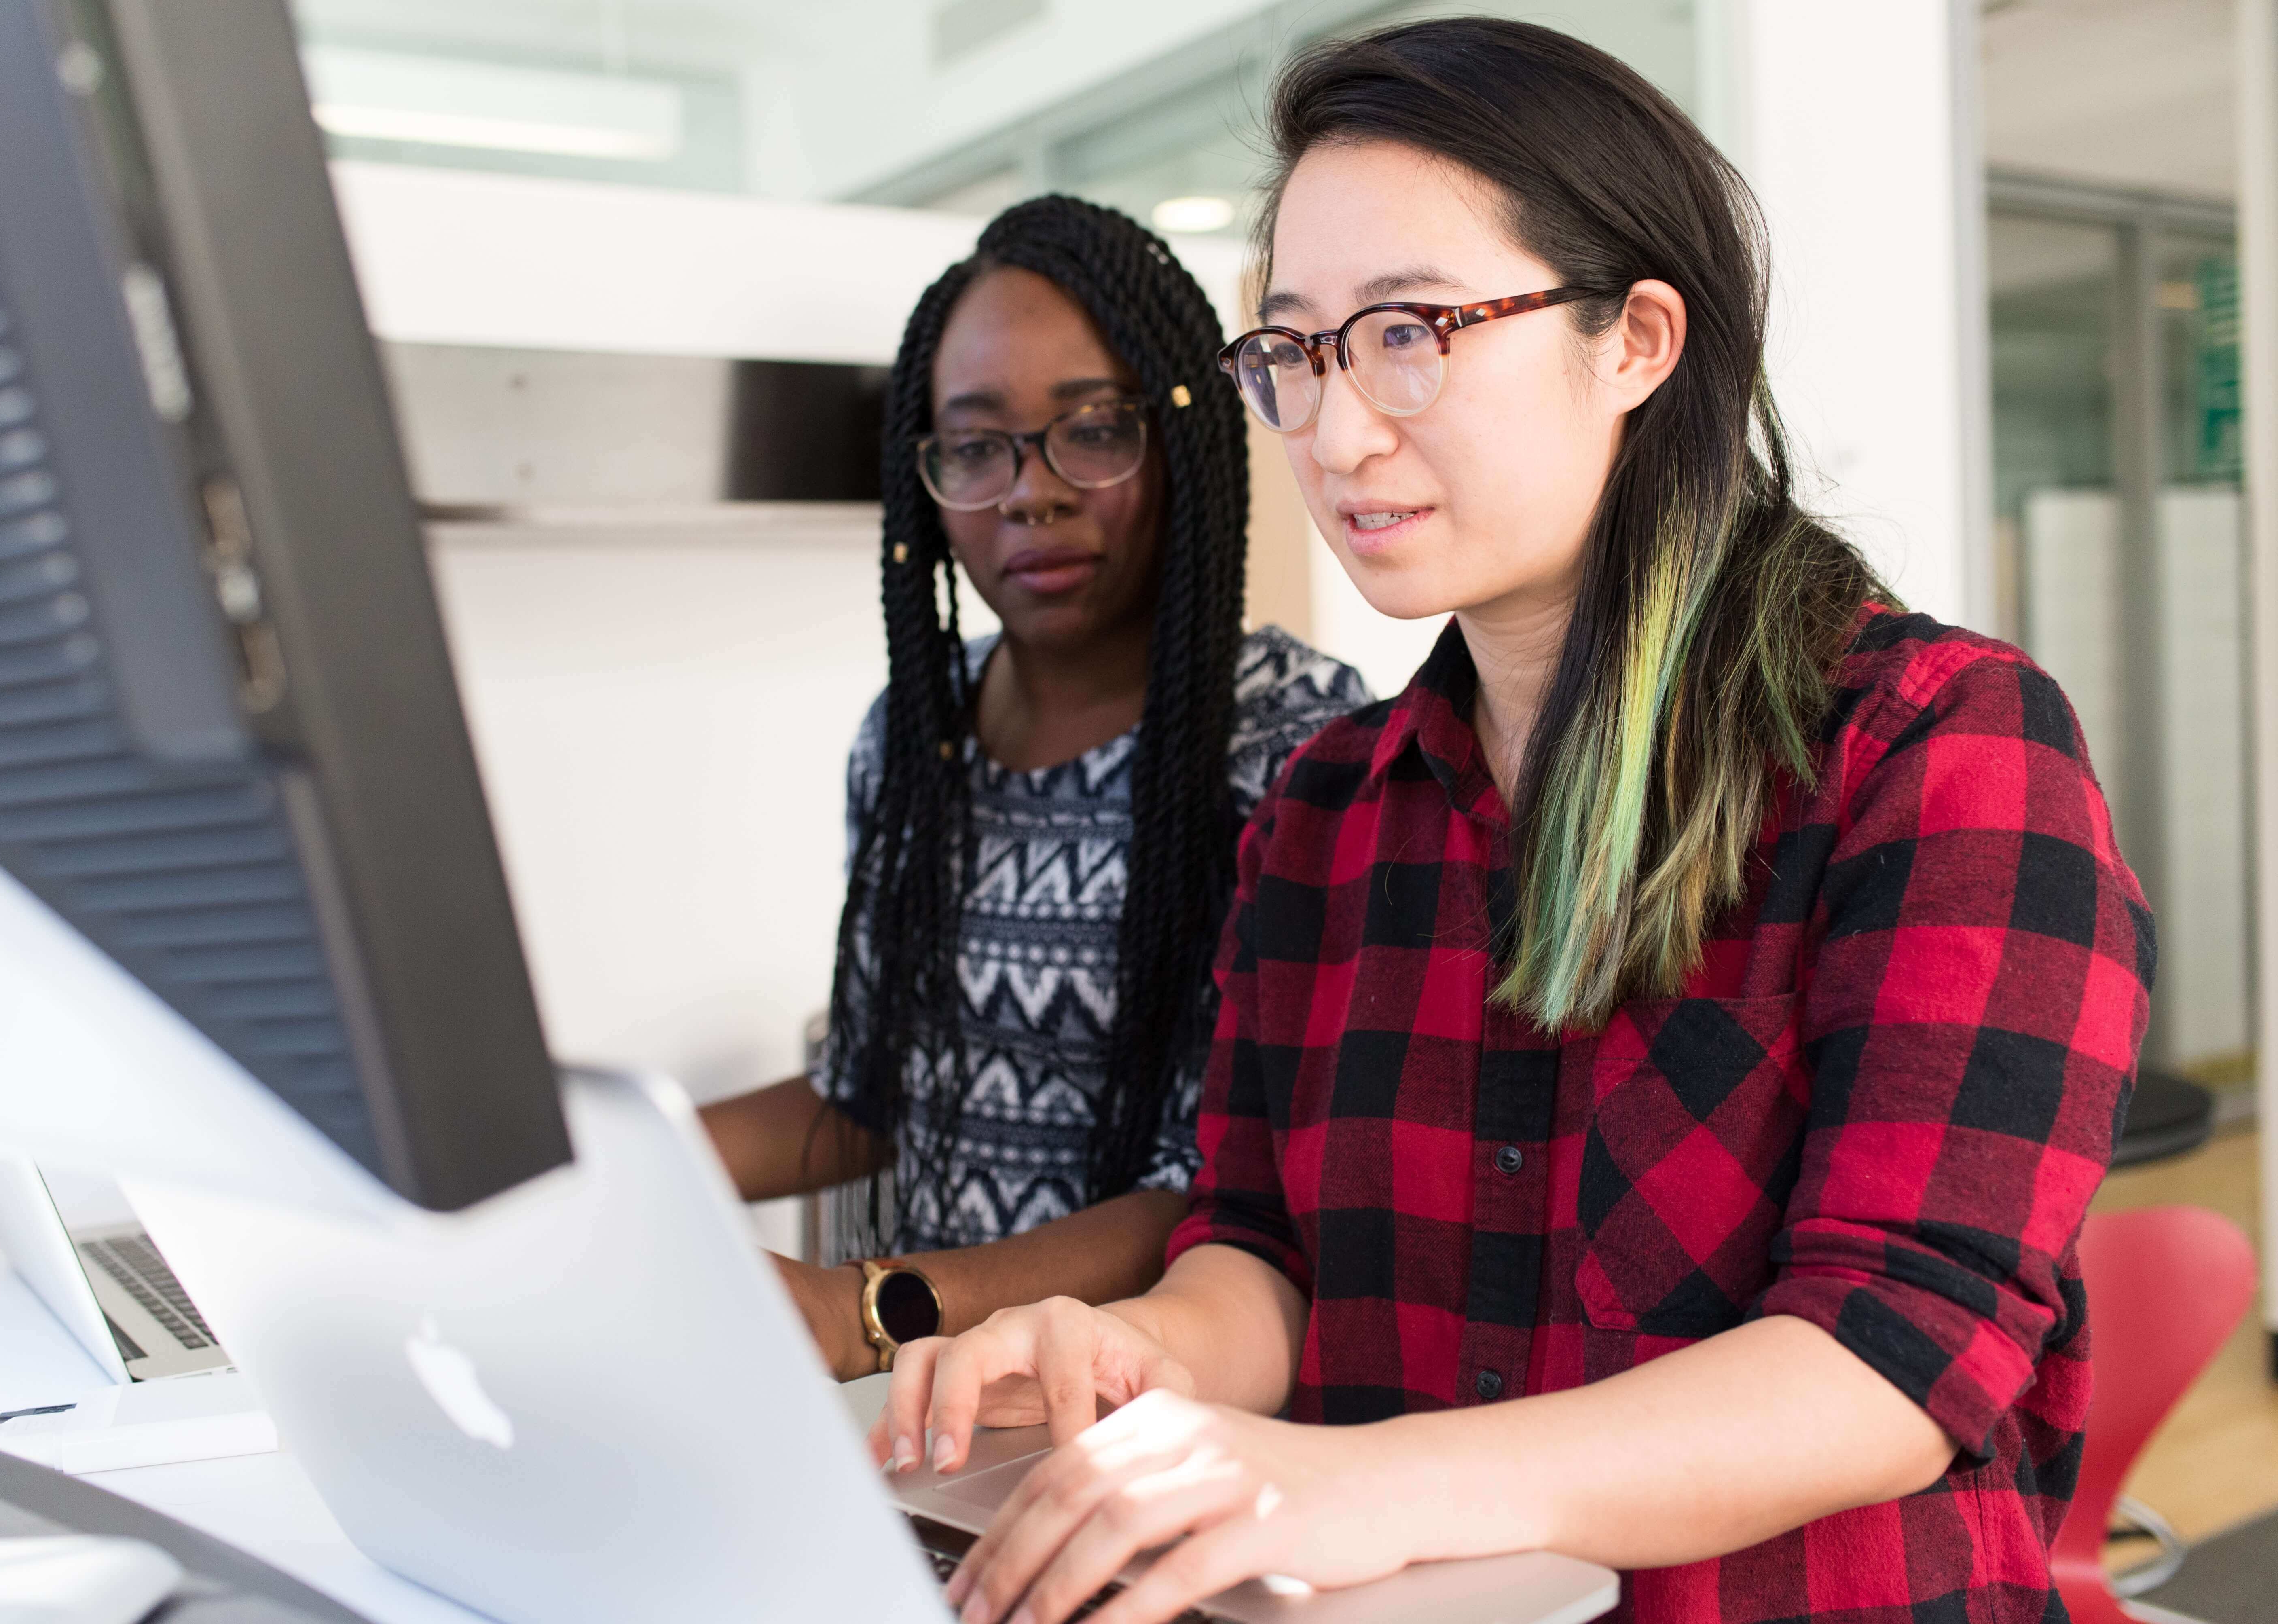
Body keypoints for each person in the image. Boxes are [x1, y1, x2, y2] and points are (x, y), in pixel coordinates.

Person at [869, 21, 2150, 1624]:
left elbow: (1895, 1351)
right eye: (1296, 352)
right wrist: (1143, 1345)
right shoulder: (1328, 809)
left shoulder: (1938, 749)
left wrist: (1366, 1481)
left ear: (1638, 342)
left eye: (1410, 332)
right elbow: (1258, 1248)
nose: (1334, 435)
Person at [700, 197, 1369, 1383]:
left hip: (1154, 1412)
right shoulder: (915, 740)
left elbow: (1224, 1190)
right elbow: (869, 1089)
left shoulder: (1294, 747)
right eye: (976, 446)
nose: (1032, 492)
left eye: (1094, 430)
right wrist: (603, 1163)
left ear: (1183, 440)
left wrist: (868, 1311)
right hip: (934, 1410)